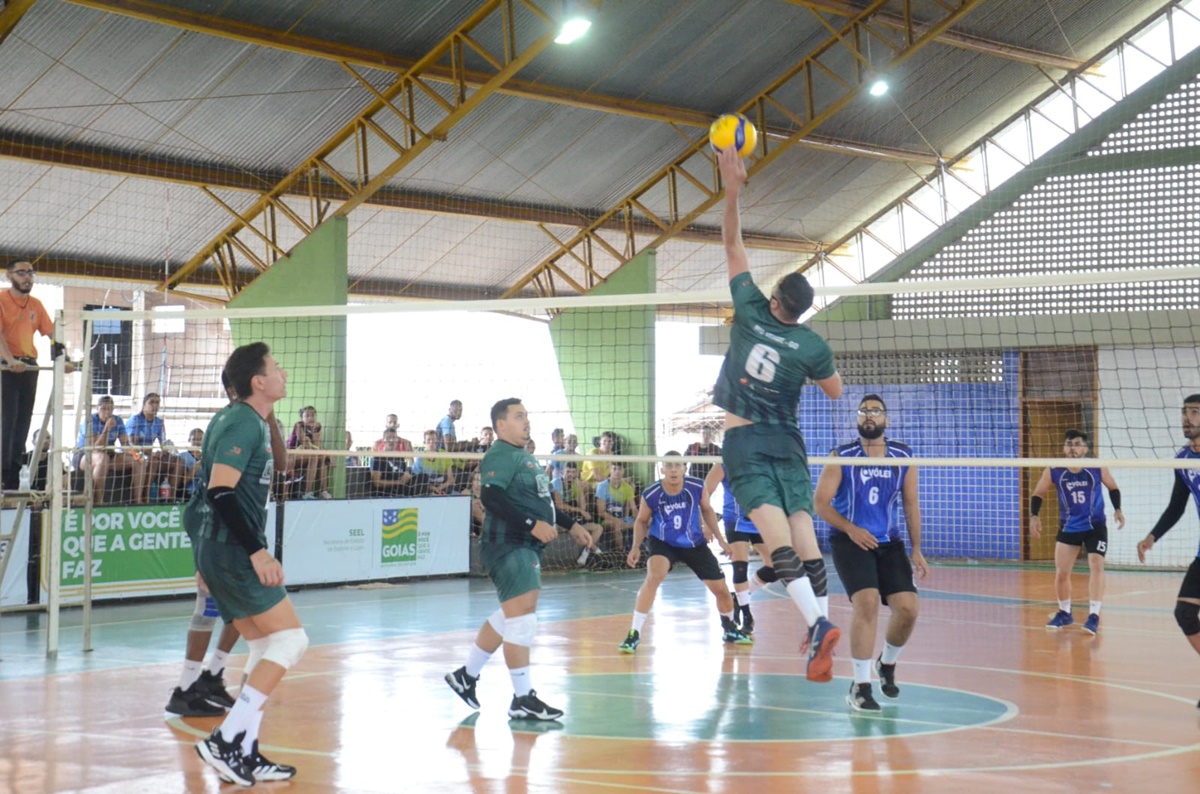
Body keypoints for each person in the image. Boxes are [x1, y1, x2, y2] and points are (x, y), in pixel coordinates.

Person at [711, 146, 844, 682]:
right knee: (806, 544)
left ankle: (817, 629)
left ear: (773, 297)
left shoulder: (747, 311)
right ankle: (822, 632)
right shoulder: (810, 345)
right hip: (790, 444)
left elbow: (731, 244)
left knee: (777, 545)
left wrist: (733, 187)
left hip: (746, 444)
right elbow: (835, 392)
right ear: (802, 310)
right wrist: (808, 365)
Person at [190, 342, 306, 786]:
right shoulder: (241, 422)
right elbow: (219, 492)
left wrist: (204, 553)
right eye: (276, 367)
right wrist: (255, 550)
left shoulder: (243, 419)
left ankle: (245, 751)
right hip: (234, 550)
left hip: (219, 548)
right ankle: (226, 739)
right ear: (258, 382)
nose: (283, 373)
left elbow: (204, 493)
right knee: (292, 640)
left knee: (263, 647)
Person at [444, 398, 594, 722]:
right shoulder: (500, 454)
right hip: (508, 544)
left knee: (513, 614)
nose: (527, 421)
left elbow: (544, 505)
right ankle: (523, 698)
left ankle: (466, 676)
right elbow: (491, 497)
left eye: (526, 415)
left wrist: (572, 525)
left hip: (522, 545)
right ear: (501, 425)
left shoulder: (523, 457)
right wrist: (531, 525)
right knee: (523, 619)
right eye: (519, 416)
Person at [814, 394, 928, 712]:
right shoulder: (842, 456)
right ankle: (860, 686)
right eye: (864, 411)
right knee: (866, 603)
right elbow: (820, 503)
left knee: (908, 608)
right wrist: (851, 529)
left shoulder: (903, 456)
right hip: (849, 540)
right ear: (857, 419)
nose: (869, 415)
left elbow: (910, 504)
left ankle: (886, 664)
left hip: (887, 542)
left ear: (886, 421)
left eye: (876, 411)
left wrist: (917, 549)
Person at [617, 453, 748, 653]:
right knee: (654, 576)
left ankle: (729, 628)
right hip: (663, 542)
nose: (673, 470)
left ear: (684, 469)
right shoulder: (652, 493)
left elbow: (707, 510)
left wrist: (721, 540)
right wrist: (635, 546)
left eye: (677, 466)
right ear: (662, 469)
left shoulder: (695, 487)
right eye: (668, 466)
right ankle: (633, 634)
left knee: (721, 589)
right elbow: (642, 521)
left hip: (694, 543)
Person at [1137, 394, 1200, 709]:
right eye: (1185, 412)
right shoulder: (1183, 460)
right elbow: (1177, 506)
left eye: (1195, 412)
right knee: (1185, 614)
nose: (1187, 418)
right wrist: (1152, 536)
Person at [1030, 428, 1125, 635]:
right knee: (1062, 572)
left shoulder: (1096, 467)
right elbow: (1038, 492)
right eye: (1069, 444)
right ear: (1064, 448)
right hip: (1069, 526)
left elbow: (1113, 488)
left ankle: (1094, 615)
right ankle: (1065, 612)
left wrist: (1118, 509)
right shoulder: (1054, 469)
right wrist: (1034, 515)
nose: (1072, 448)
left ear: (1086, 448)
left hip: (1095, 526)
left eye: (1077, 444)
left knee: (1096, 564)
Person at [0, 260, 69, 491]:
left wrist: (63, 358)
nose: (27, 277)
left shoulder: (36, 305)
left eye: (30, 273)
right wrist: (10, 360)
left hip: (28, 367)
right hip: (6, 367)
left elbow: (52, 333)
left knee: (23, 422)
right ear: (9, 276)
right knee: (6, 421)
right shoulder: (1, 300)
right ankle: (2, 473)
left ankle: (11, 478)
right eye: (22, 273)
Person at [704, 461, 776, 634]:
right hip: (736, 520)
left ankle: (736, 598)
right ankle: (747, 616)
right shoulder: (724, 463)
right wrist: (706, 523)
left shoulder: (762, 460)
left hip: (759, 518)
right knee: (741, 566)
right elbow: (705, 493)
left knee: (776, 566)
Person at [77, 395, 143, 505]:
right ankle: (98, 501)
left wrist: (135, 453)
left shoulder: (117, 420)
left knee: (139, 461)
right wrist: (107, 428)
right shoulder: (90, 420)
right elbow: (96, 447)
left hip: (109, 454)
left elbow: (125, 444)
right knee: (102, 458)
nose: (107, 412)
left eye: (110, 409)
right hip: (86, 455)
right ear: (97, 409)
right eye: (103, 409)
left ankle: (138, 501)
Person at [127, 392, 185, 503]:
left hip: (149, 455)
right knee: (152, 460)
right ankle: (144, 498)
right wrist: (150, 452)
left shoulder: (159, 422)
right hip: (134, 454)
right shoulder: (135, 420)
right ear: (144, 404)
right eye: (151, 402)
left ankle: (171, 499)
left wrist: (162, 452)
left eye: (157, 402)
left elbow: (163, 444)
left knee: (179, 461)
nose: (155, 405)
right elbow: (131, 445)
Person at [550, 462, 604, 565]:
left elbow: (583, 507)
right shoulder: (555, 482)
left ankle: (586, 553)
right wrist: (580, 511)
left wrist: (580, 488)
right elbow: (560, 505)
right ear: (562, 472)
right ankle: (598, 552)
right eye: (568, 471)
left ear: (577, 473)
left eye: (573, 472)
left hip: (572, 518)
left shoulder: (575, 484)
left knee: (598, 528)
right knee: (579, 531)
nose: (570, 474)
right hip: (558, 519)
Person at [287, 405, 330, 499]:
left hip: (306, 455)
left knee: (322, 458)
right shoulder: (298, 425)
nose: (311, 418)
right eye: (307, 415)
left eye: (313, 415)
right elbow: (305, 444)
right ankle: (307, 492)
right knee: (314, 456)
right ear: (302, 418)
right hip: (290, 456)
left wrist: (315, 433)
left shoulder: (317, 427)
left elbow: (317, 446)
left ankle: (324, 491)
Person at [596, 462, 637, 553]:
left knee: (648, 521)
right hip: (607, 521)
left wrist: (641, 519)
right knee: (617, 525)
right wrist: (618, 521)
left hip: (624, 519)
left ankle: (642, 551)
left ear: (623, 471)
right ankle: (620, 553)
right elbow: (601, 512)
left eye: (620, 469)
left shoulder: (627, 487)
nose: (617, 472)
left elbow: (633, 508)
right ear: (610, 470)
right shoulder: (602, 486)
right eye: (615, 469)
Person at [370, 428, 413, 496]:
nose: (391, 440)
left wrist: (407, 474)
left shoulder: (400, 457)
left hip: (401, 490)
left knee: (422, 478)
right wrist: (398, 482)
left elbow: (405, 473)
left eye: (394, 438)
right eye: (388, 438)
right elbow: (377, 482)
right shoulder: (378, 457)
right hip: (385, 493)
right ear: (383, 441)